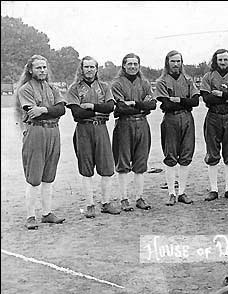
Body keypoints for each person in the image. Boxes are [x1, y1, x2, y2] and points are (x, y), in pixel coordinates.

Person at [15, 54, 66, 229]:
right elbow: (32, 112)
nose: (42, 70)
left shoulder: (52, 88)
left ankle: (46, 213)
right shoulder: (25, 89)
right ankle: (30, 216)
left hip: (53, 131)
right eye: (38, 67)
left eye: (44, 67)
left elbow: (61, 109)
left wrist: (44, 109)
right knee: (34, 177)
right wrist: (49, 111)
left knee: (49, 176)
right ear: (30, 70)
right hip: (36, 131)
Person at [66, 56, 121, 218]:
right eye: (86, 67)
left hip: (101, 129)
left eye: (92, 67)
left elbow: (110, 107)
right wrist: (99, 111)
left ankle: (105, 202)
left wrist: (92, 107)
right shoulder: (74, 88)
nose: (89, 70)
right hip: (83, 130)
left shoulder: (104, 87)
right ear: (81, 69)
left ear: (97, 69)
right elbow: (77, 113)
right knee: (86, 168)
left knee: (107, 168)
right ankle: (89, 204)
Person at [111, 53, 157, 211]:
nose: (132, 67)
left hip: (142, 124)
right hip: (124, 124)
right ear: (123, 65)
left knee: (141, 161)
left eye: (135, 64)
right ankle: (124, 198)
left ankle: (139, 197)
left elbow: (152, 105)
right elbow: (121, 107)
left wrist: (135, 103)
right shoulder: (117, 84)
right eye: (129, 64)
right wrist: (142, 104)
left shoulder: (144, 83)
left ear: (139, 65)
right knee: (123, 162)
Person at [200, 49, 228, 201]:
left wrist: (223, 95)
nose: (223, 63)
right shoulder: (208, 76)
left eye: (225, 60)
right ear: (215, 61)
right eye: (220, 60)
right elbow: (207, 98)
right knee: (212, 152)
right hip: (213, 116)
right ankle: (213, 189)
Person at [154, 50, 200, 206]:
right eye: (172, 61)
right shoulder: (162, 81)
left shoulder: (187, 79)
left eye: (178, 61)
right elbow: (166, 104)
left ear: (182, 62)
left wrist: (178, 99)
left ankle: (182, 192)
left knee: (186, 155)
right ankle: (171, 193)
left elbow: (195, 102)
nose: (176, 64)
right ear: (167, 63)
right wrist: (184, 100)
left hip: (187, 117)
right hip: (171, 119)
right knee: (171, 155)